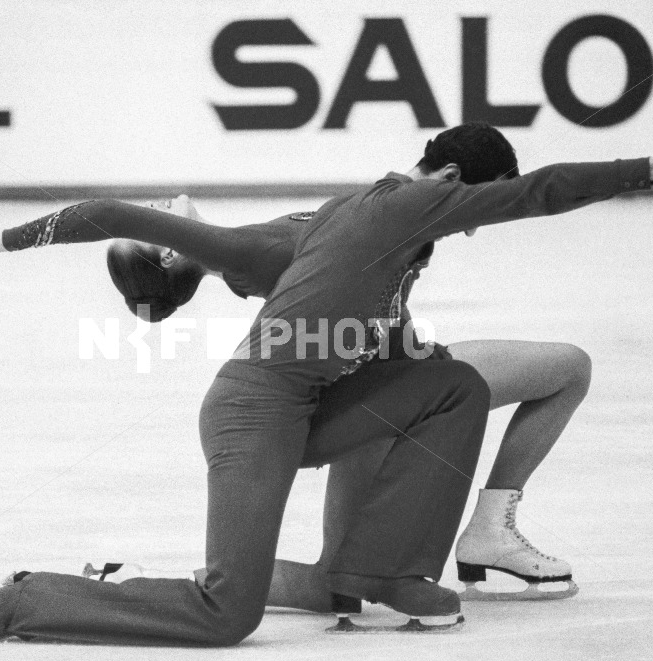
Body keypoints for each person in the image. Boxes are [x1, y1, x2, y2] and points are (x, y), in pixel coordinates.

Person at [0, 125, 653, 645]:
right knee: (229, 614)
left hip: (319, 406)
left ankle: (384, 573)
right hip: (253, 411)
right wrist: (647, 168)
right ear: (450, 178)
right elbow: (119, 216)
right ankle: (30, 597)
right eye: (466, 205)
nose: (466, 224)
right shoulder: (406, 206)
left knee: (450, 384)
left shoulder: (358, 229)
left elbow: (262, 261)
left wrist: (197, 259)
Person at [101, 183, 591, 604]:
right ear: (168, 251)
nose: (154, 201)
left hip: (414, 366)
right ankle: (148, 585)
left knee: (568, 369)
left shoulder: (245, 247)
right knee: (335, 585)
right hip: (376, 398)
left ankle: (489, 530)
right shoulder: (251, 262)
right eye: (148, 217)